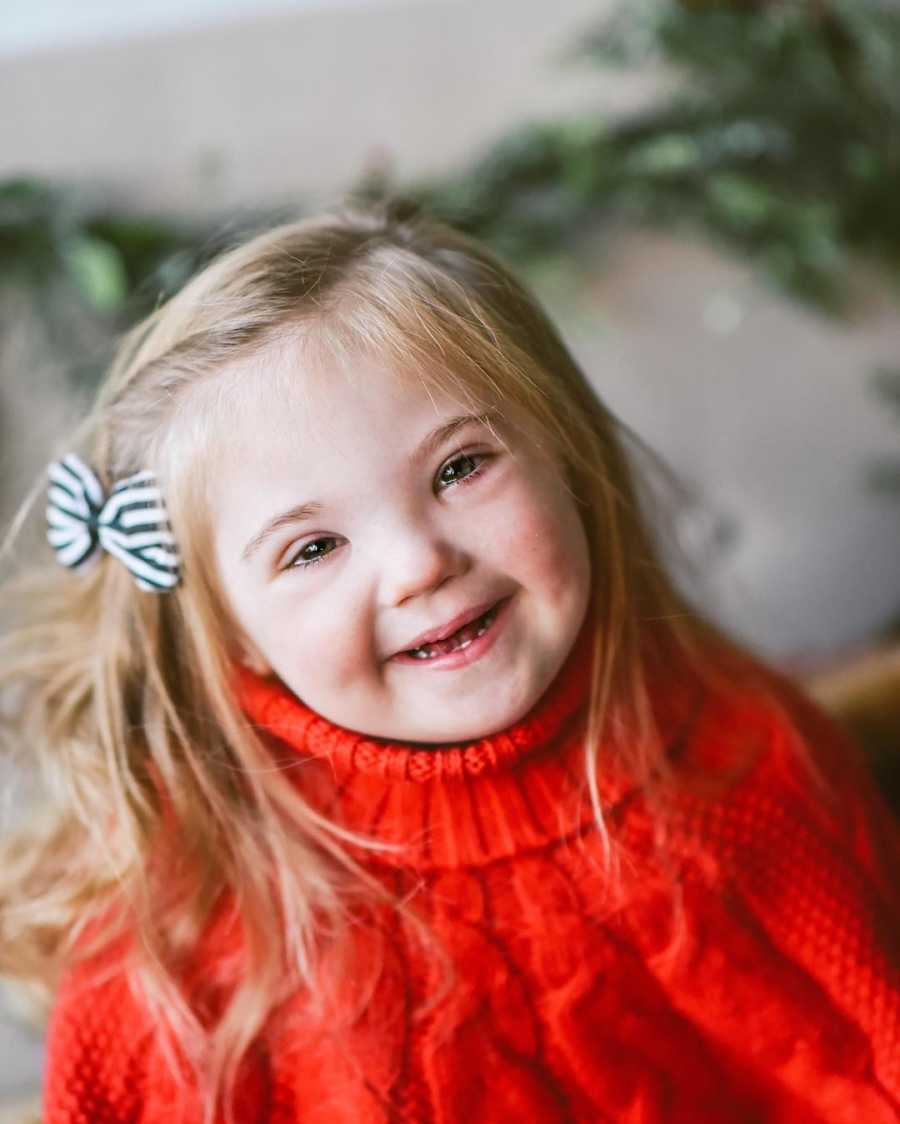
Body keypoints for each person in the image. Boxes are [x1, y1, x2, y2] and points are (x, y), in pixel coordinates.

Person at [0, 195, 898, 1124]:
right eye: (312, 549)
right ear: (228, 634)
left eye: (460, 468)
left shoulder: (744, 766)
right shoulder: (186, 937)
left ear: (569, 460)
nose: (420, 563)